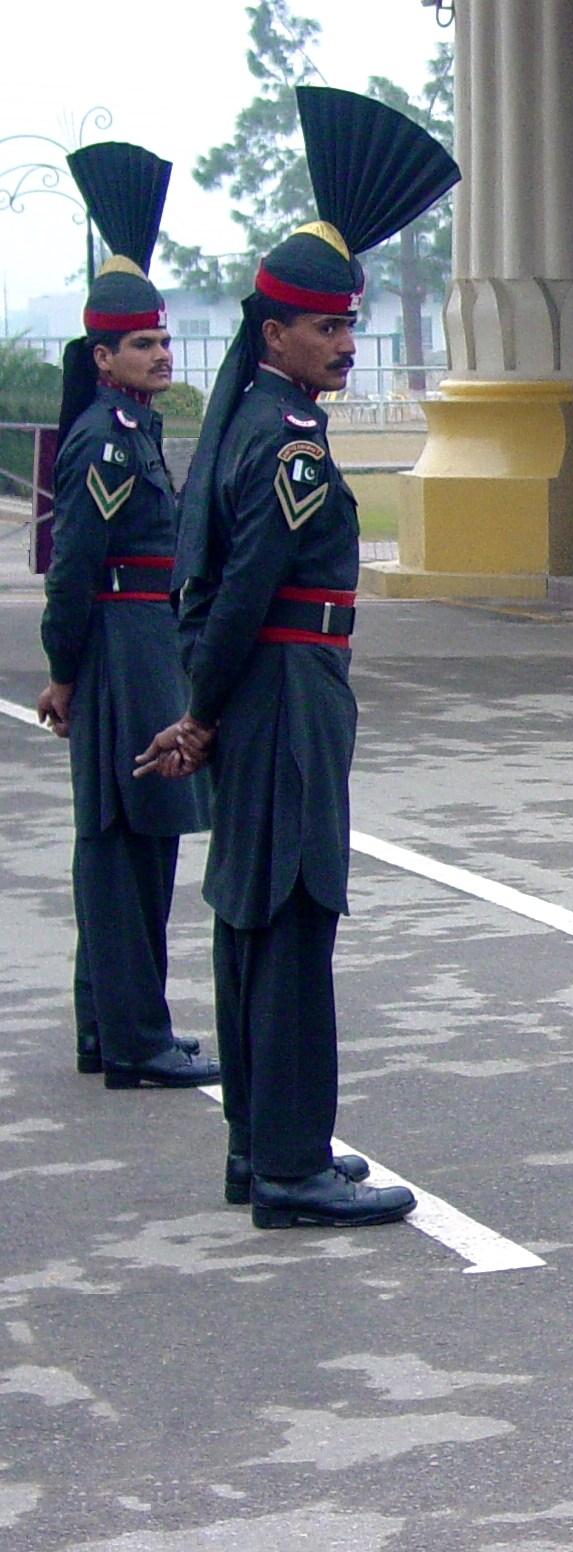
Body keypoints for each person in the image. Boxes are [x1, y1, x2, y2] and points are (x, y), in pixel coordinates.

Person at [137, 87, 458, 1226]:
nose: (342, 341)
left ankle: (254, 1147)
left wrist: (201, 706)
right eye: (326, 326)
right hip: (282, 693)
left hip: (267, 692)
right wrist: (203, 708)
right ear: (274, 332)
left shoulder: (259, 423)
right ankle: (289, 1163)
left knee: (253, 919)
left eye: (346, 323)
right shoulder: (287, 444)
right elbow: (238, 599)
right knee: (292, 915)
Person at [37, 142, 215, 1091]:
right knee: (126, 842)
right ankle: (136, 1039)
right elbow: (76, 571)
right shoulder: (105, 442)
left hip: (141, 646)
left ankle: (112, 1027)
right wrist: (65, 670)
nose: (160, 352)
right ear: (103, 357)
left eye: (160, 340)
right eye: (141, 344)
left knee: (131, 841)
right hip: (120, 652)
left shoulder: (133, 428)